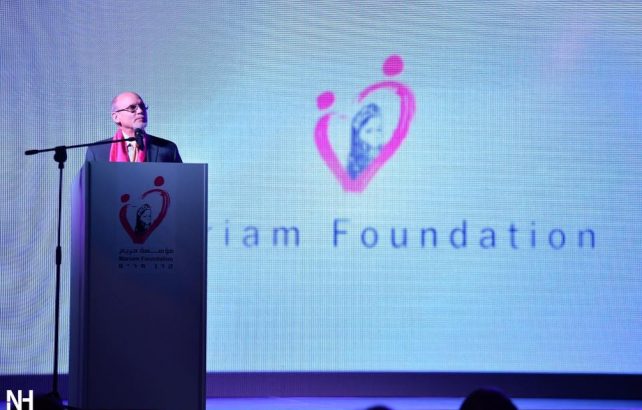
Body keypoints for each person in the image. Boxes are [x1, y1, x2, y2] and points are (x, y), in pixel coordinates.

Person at [85, 91, 182, 162]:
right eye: (132, 108)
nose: (140, 111)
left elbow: (179, 182)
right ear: (116, 117)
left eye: (142, 106)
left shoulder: (168, 148)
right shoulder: (96, 151)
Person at [347, 103, 384, 179]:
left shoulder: (386, 152)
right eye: (369, 131)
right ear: (358, 134)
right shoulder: (354, 161)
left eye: (379, 129)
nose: (376, 135)